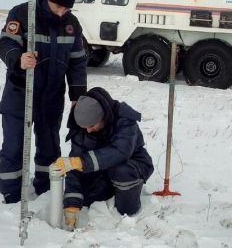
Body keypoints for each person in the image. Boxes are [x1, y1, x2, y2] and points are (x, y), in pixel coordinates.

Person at [0, 0, 87, 204]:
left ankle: (46, 190)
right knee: (14, 145)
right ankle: (11, 192)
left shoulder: (72, 24)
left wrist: (77, 97)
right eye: (58, 7)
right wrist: (19, 58)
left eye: (66, 8)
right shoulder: (21, 14)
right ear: (47, 0)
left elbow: (77, 63)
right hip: (20, 94)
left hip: (52, 97)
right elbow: (5, 44)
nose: (61, 12)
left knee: (49, 147)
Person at [50, 87, 154, 230]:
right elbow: (75, 167)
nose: (88, 130)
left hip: (131, 165)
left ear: (103, 117)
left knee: (121, 174)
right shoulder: (82, 128)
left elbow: (120, 152)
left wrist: (81, 162)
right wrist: (71, 205)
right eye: (84, 127)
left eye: (92, 126)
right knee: (86, 198)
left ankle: (128, 206)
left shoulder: (125, 120)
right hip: (100, 168)